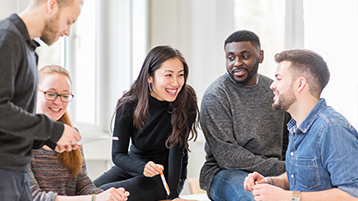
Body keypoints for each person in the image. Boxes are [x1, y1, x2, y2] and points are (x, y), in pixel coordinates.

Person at [244, 49, 358, 201]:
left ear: (300, 84)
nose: (272, 85)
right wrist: (270, 182)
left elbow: (352, 195)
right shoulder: (296, 127)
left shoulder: (332, 128)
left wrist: (288, 197)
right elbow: (301, 176)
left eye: (278, 78)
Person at [0, 0, 83, 200]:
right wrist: (53, 130)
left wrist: (49, 139)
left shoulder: (29, 50)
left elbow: (17, 120)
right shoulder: (7, 38)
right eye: (68, 21)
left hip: (16, 170)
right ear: (52, 5)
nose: (67, 32)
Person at [93, 45, 199, 201]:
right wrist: (142, 167)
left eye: (180, 75)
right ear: (149, 76)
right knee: (89, 192)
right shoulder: (128, 104)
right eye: (168, 75)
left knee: (108, 195)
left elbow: (177, 151)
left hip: (164, 176)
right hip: (133, 167)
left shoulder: (186, 100)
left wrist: (172, 195)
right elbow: (118, 155)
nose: (176, 83)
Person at [199, 30, 290, 201]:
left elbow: (287, 138)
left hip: (274, 172)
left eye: (245, 56)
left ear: (260, 56)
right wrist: (283, 168)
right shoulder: (216, 95)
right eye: (231, 57)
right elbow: (228, 157)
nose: (237, 63)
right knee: (255, 199)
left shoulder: (275, 90)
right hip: (226, 173)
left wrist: (286, 172)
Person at [30, 65, 130, 201]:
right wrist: (95, 199)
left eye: (65, 95)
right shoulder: (20, 138)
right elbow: (33, 197)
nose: (58, 101)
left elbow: (82, 185)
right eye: (51, 94)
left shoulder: (71, 134)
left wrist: (106, 196)